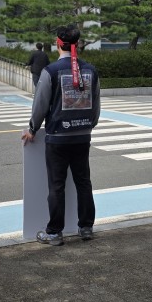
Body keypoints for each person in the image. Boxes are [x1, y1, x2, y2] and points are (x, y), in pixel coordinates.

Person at [21, 25, 101, 246]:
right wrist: (88, 125)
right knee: (83, 182)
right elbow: (96, 105)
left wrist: (32, 129)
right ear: (78, 44)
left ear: (58, 44)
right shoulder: (91, 70)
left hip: (58, 137)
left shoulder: (51, 71)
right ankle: (86, 227)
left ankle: (55, 232)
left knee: (57, 185)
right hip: (83, 136)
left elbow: (40, 105)